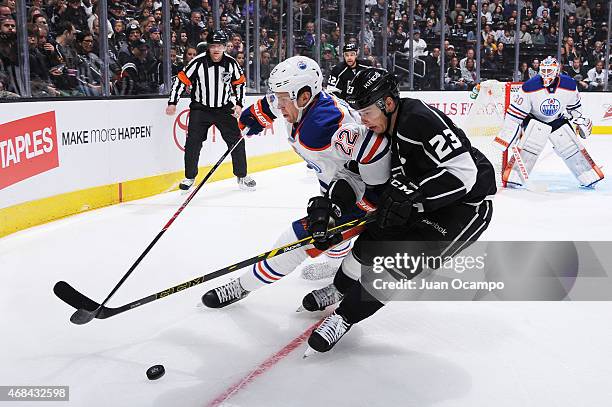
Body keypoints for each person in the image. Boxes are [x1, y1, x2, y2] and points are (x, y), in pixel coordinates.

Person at [303, 68, 497, 354]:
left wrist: (414, 195)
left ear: (389, 104)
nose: (363, 119)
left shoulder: (418, 120)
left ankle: (344, 317)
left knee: (401, 265)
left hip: (463, 207)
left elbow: (464, 172)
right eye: (358, 112)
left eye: (367, 111)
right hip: (416, 195)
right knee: (371, 239)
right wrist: (332, 206)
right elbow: (356, 174)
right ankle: (339, 288)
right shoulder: (375, 130)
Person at [200, 56, 390, 307]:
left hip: (362, 192)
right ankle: (334, 266)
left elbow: (373, 161)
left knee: (296, 240)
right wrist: (262, 110)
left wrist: (341, 204)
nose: (279, 105)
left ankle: (243, 286)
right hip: (332, 178)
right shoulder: (305, 102)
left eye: (282, 100)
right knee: (333, 235)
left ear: (303, 96)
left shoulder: (326, 127)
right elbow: (276, 100)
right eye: (278, 98)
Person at [165, 30, 256, 191]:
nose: (216, 49)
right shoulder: (198, 62)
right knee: (193, 142)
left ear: (224, 47)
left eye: (219, 46)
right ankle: (189, 177)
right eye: (213, 46)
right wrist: (173, 102)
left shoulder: (231, 63)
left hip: (224, 108)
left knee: (236, 141)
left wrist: (239, 104)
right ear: (208, 47)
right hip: (201, 109)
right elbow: (181, 81)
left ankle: (242, 175)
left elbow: (240, 83)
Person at [494, 57, 603, 188]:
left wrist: (579, 120)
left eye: (549, 70)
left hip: (557, 119)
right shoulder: (529, 86)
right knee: (535, 135)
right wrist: (508, 133)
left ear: (557, 71)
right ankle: (514, 176)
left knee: (566, 139)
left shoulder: (569, 84)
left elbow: (574, 108)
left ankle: (587, 175)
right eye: (543, 70)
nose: (545, 74)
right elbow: (515, 114)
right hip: (534, 119)